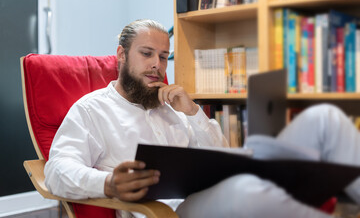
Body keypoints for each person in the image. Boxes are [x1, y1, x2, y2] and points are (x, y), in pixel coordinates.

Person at [44, 19, 360, 218]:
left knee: (325, 118)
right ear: (122, 55)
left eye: (163, 56)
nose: (157, 64)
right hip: (174, 210)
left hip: (216, 187)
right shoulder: (91, 110)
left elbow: (218, 152)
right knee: (247, 189)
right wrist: (109, 183)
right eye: (146, 53)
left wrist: (193, 111)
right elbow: (57, 171)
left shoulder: (171, 105)